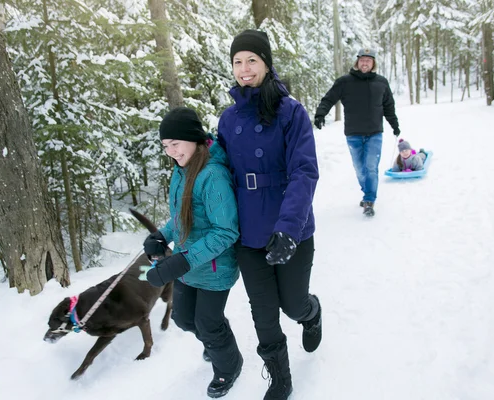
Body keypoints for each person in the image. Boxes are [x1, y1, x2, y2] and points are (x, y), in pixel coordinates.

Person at [217, 29, 322, 400]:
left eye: (252, 61)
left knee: (292, 305)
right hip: (249, 234)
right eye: (237, 62)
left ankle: (312, 313)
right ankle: (280, 377)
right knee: (263, 312)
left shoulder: (291, 112)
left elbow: (304, 171)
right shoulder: (228, 120)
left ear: (266, 64)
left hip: (290, 227)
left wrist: (289, 228)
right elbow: (218, 173)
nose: (244, 69)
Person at [140, 107, 243, 399]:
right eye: (166, 146)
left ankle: (229, 365)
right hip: (188, 264)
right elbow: (182, 217)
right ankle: (217, 338)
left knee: (207, 324)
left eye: (176, 143)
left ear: (194, 139)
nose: (171, 151)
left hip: (213, 268)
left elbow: (226, 231)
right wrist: (161, 235)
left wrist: (181, 261)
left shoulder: (213, 175)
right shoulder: (181, 169)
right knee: (184, 319)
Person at [314, 48, 400, 217]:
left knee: (371, 167)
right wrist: (320, 114)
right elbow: (329, 98)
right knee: (360, 169)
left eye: (369, 60)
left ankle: (369, 200)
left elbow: (389, 106)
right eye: (362, 60)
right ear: (357, 62)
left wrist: (394, 124)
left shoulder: (381, 82)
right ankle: (367, 191)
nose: (365, 63)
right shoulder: (345, 82)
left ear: (373, 63)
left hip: (375, 133)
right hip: (353, 134)